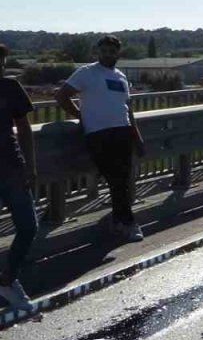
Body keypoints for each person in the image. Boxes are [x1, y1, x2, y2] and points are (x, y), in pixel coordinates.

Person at [56, 36, 147, 243]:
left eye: (112, 51)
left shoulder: (121, 77)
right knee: (116, 179)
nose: (108, 55)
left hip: (122, 132)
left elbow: (127, 109)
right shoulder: (87, 72)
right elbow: (62, 96)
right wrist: (81, 115)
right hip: (98, 134)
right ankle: (129, 223)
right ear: (98, 52)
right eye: (104, 51)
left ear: (118, 54)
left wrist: (137, 138)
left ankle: (119, 221)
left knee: (122, 180)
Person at [0, 43, 38, 312]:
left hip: (12, 166)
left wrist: (31, 166)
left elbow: (24, 128)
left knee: (28, 226)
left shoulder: (11, 86)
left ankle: (7, 280)